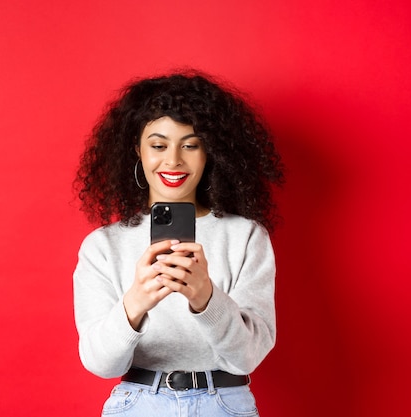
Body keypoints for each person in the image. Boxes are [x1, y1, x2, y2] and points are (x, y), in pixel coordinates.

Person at [73, 69, 284, 417]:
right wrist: (136, 301)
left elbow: (247, 357)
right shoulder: (102, 247)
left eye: (190, 145)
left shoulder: (245, 237)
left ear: (210, 152)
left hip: (225, 404)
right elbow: (101, 364)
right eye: (158, 145)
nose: (173, 160)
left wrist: (206, 298)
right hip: (138, 404)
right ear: (137, 150)